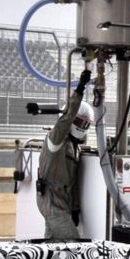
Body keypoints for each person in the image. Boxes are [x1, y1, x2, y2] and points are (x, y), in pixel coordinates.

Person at [36, 68, 93, 240]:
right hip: (52, 202)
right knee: (74, 245)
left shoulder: (74, 147)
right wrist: (80, 88)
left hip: (62, 203)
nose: (83, 128)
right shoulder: (56, 139)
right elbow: (67, 116)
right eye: (81, 123)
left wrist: (74, 208)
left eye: (86, 124)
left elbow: (73, 182)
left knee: (52, 246)